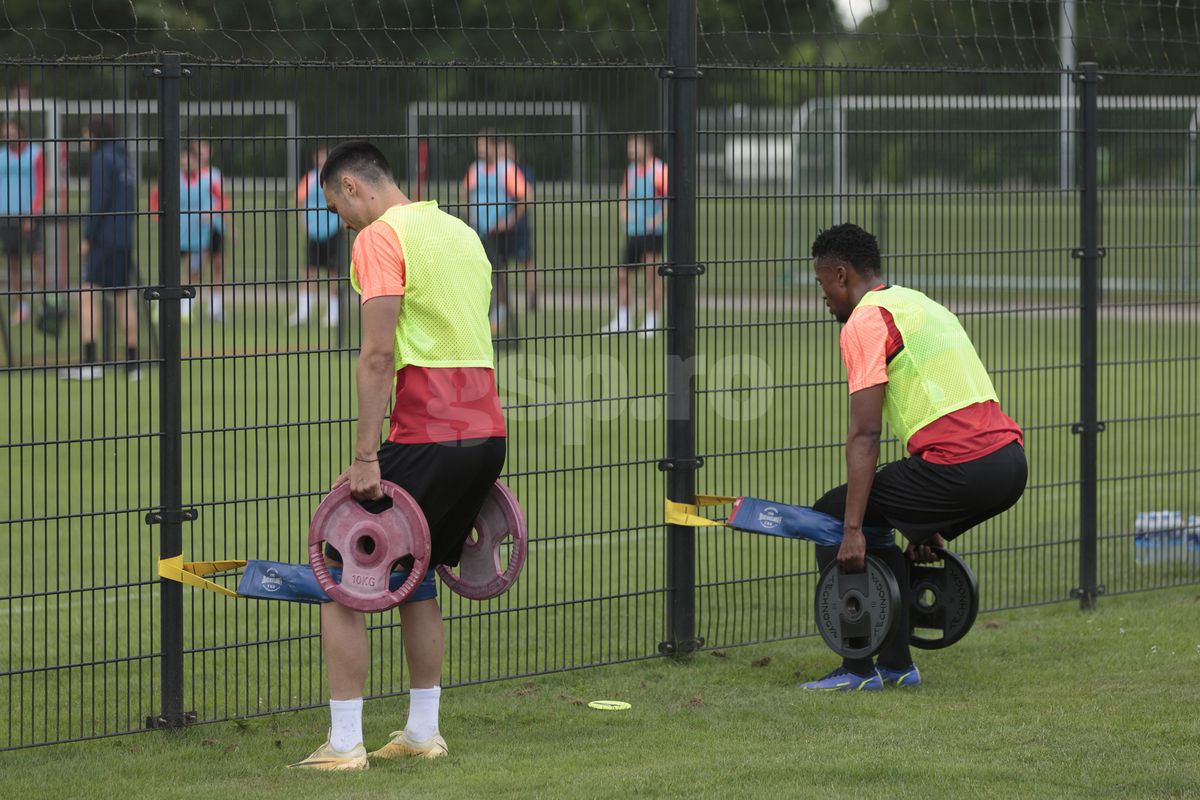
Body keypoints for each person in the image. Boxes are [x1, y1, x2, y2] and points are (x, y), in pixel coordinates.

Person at [290, 141, 507, 771]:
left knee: (340, 575)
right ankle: (421, 732)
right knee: (418, 577)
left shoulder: (380, 237)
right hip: (486, 435)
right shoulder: (462, 232)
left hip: (428, 433)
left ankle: (344, 743)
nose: (342, 222)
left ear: (354, 187)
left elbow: (378, 355)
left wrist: (366, 456)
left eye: (337, 208)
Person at [801, 223, 1026, 691]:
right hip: (1008, 465)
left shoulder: (865, 321)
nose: (824, 298)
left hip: (960, 469)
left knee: (832, 514)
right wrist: (927, 523)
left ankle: (858, 668)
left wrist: (852, 530)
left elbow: (865, 433)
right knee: (888, 518)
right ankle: (898, 666)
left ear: (841, 275)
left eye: (823, 285)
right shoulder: (919, 303)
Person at [59, 117, 139, 381]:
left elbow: (98, 201)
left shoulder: (101, 159)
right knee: (123, 297)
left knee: (87, 293)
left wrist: (87, 238)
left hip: (104, 239)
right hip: (124, 238)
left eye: (86, 135)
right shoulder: (124, 160)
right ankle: (132, 364)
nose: (84, 141)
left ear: (95, 135)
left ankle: (91, 362)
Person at [462, 129, 528, 337]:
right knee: (481, 273)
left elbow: (526, 196)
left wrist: (509, 220)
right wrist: (470, 215)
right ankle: (487, 314)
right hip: (479, 231)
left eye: (484, 145)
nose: (480, 150)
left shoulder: (507, 169)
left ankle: (498, 315)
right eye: (478, 146)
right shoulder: (474, 169)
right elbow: (465, 192)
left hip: (499, 232)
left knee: (498, 273)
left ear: (494, 147)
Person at [601, 134, 668, 337]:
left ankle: (652, 319)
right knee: (622, 275)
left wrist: (657, 220)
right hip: (633, 232)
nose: (631, 151)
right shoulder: (630, 171)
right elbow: (623, 194)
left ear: (647, 147)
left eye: (635, 147)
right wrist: (624, 213)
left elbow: (670, 198)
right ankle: (623, 319)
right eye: (630, 148)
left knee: (652, 275)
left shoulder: (659, 170)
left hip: (651, 232)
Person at [291, 144, 342, 326]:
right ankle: (304, 310)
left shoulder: (336, 178)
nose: (321, 159)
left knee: (333, 272)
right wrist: (305, 223)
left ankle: (333, 312)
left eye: (324, 156)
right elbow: (300, 201)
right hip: (314, 231)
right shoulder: (310, 178)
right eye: (319, 156)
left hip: (333, 230)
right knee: (309, 271)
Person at [1, 118, 46, 326]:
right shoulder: (1, 156)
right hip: (6, 217)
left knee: (37, 260)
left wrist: (32, 214)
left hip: (29, 217)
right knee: (14, 263)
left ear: (21, 132)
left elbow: (42, 185)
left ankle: (46, 304)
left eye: (11, 132)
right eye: (5, 132)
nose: (7, 135)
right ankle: (22, 307)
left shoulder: (36, 154)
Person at [193, 140, 229, 321]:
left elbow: (223, 199)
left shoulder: (216, 175)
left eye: (205, 151)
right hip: (195, 227)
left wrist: (224, 221)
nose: (202, 155)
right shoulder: (191, 175)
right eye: (199, 152)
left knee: (218, 265)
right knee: (195, 267)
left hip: (215, 226)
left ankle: (215, 308)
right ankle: (187, 306)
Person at [502, 137, 538, 312]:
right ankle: (501, 302)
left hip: (520, 225)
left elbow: (527, 196)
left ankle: (532, 298)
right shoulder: (500, 171)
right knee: (499, 265)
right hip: (501, 227)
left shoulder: (522, 171)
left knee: (527, 262)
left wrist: (513, 218)